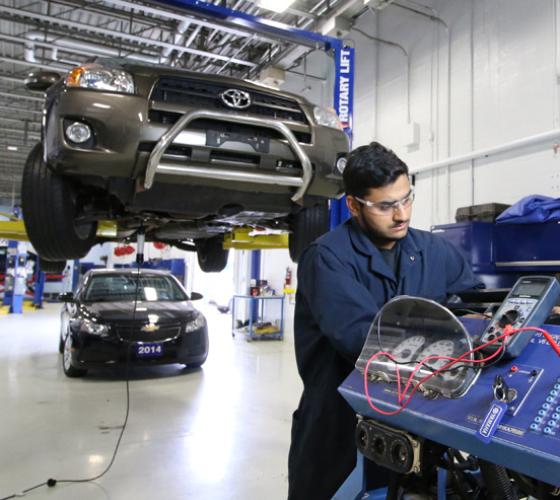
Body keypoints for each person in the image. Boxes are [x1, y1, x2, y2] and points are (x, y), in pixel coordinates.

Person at [287, 141, 482, 500]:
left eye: (407, 199)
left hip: (424, 421)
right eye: (386, 206)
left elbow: (473, 307)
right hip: (340, 426)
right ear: (354, 205)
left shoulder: (434, 250)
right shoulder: (328, 259)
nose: (402, 215)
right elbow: (365, 343)